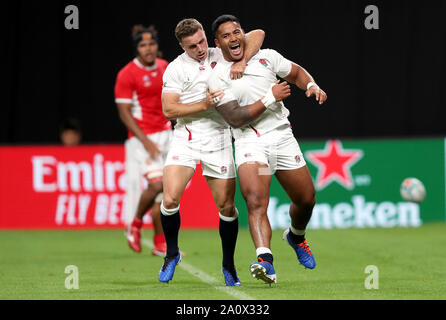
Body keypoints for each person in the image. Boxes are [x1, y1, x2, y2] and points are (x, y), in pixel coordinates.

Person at [208, 14, 327, 285]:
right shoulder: (217, 77)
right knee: (256, 200)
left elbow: (295, 73)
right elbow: (235, 117)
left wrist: (311, 84)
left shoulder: (266, 56)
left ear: (244, 34)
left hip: (282, 137)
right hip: (250, 142)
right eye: (225, 36)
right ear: (218, 43)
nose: (233, 38)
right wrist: (270, 96)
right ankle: (265, 260)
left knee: (306, 198)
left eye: (236, 32)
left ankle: (296, 236)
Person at [159, 18, 276, 286]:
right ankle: (172, 253)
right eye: (192, 46)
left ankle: (228, 265)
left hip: (220, 137)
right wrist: (203, 104)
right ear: (181, 46)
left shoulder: (221, 54)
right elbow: (169, 110)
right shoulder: (175, 69)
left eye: (201, 41)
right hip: (186, 137)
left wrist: (242, 60)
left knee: (226, 206)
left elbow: (258, 33)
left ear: (206, 38)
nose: (199, 49)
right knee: (169, 200)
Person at [114, 25, 171, 256]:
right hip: (143, 139)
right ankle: (135, 224)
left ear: (157, 46)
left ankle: (160, 243)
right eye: (143, 45)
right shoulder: (127, 74)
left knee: (166, 192)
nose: (148, 49)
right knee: (156, 185)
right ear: (137, 48)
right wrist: (145, 141)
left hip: (168, 135)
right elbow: (125, 113)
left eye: (151, 44)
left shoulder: (165, 67)